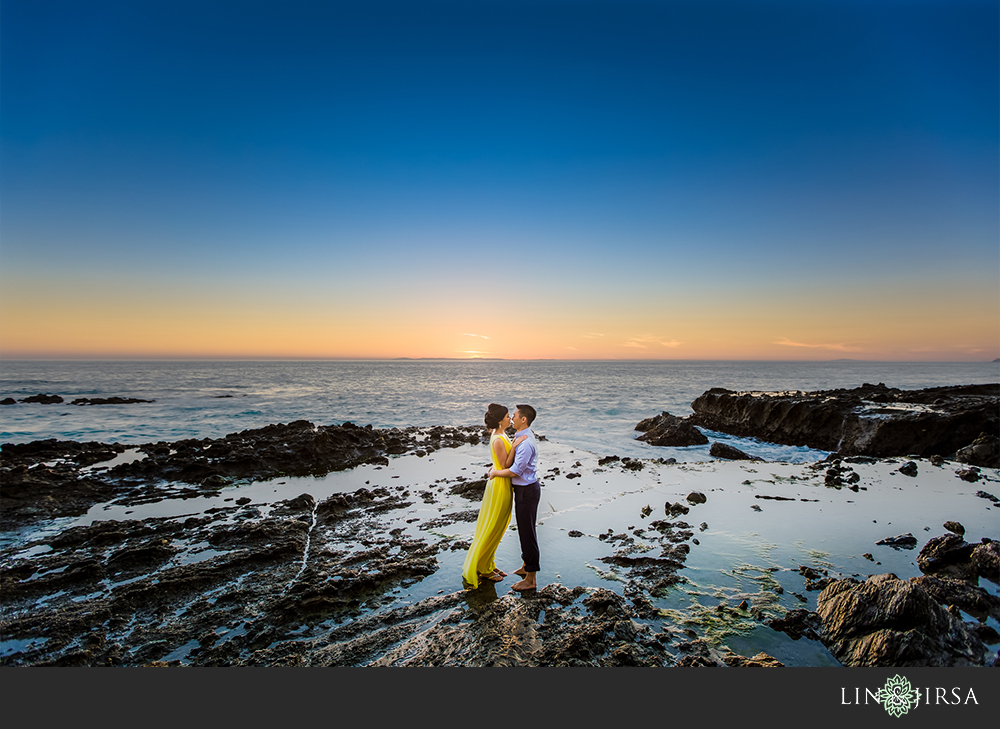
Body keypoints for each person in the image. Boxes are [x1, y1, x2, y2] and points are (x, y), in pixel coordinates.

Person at [461, 403, 527, 590]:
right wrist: (515, 446)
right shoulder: (498, 439)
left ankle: (488, 564)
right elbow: (506, 466)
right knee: (492, 527)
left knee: (498, 528)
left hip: (502, 484)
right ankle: (482, 568)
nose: (510, 418)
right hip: (499, 487)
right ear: (500, 421)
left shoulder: (502, 435)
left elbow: (498, 464)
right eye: (507, 416)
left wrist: (512, 445)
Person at [487, 404, 539, 591]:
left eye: (514, 415)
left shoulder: (524, 443)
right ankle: (526, 567)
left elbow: (515, 471)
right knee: (524, 532)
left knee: (528, 534)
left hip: (527, 492)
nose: (512, 418)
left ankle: (531, 579)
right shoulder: (518, 437)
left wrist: (494, 473)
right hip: (523, 491)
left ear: (523, 419)